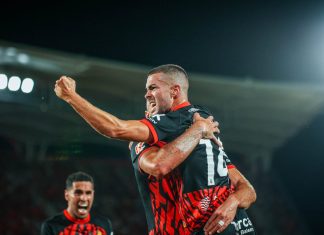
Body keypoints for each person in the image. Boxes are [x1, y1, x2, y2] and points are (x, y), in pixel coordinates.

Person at [54, 64, 256, 234]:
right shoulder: (204, 128)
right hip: (238, 226)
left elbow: (117, 129)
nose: (146, 94)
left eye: (152, 88)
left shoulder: (177, 121)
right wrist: (199, 129)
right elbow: (246, 188)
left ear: (174, 91)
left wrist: (71, 96)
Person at [40, 171, 113, 235]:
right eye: (78, 193)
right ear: (66, 195)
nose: (83, 198)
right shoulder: (51, 226)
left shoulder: (104, 224)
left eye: (88, 193)